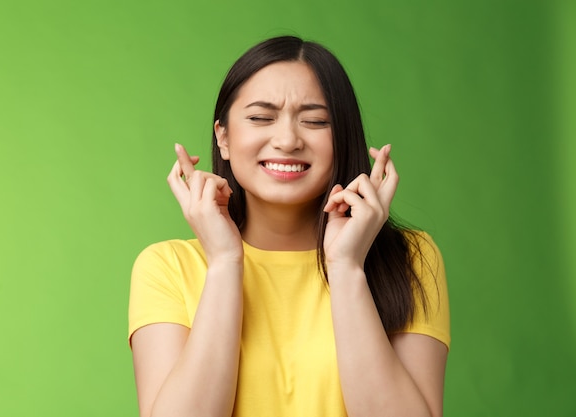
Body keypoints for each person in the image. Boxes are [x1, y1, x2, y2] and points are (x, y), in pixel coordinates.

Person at [128, 35, 450, 417]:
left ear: (343, 136)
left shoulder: (408, 257)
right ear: (224, 137)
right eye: (261, 118)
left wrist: (347, 268)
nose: (287, 140)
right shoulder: (166, 267)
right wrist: (225, 263)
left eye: (315, 121)